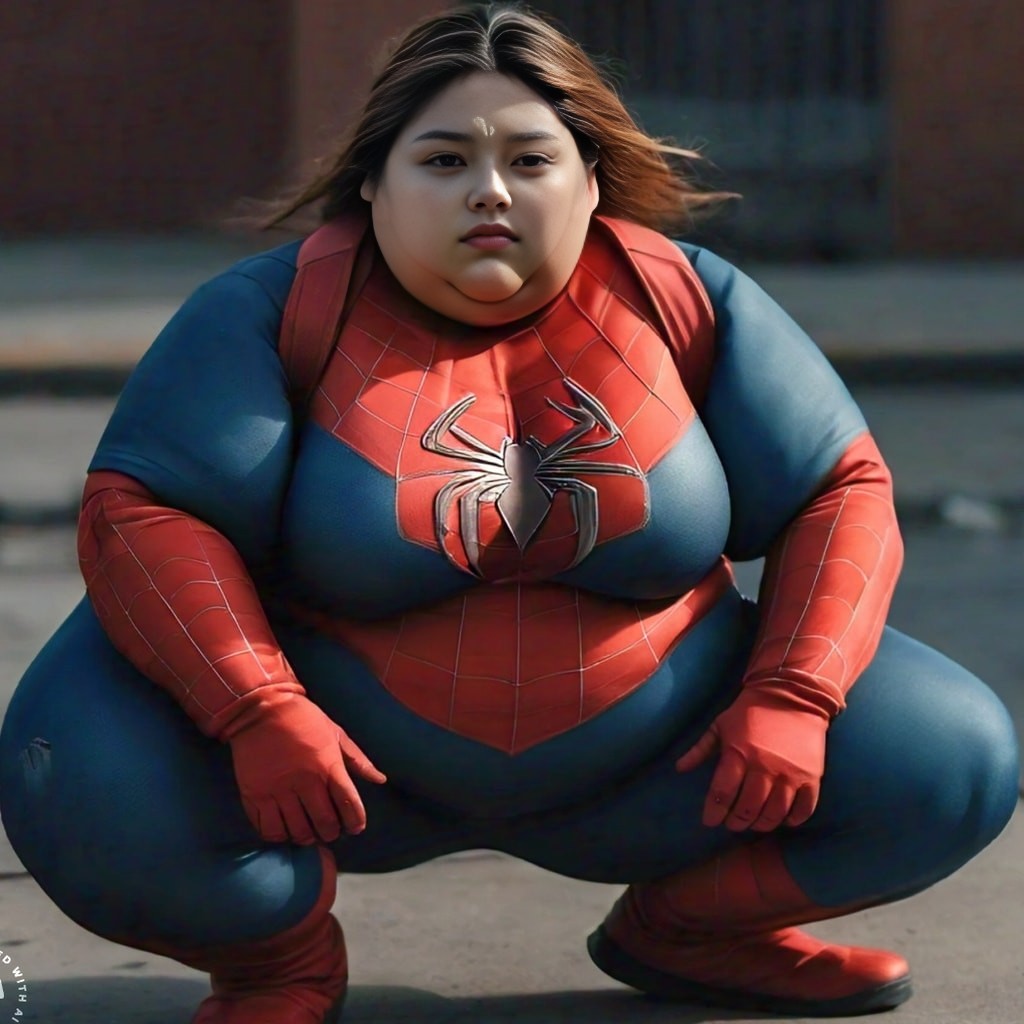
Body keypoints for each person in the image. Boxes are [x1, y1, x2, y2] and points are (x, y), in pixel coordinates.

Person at [0, 3, 1018, 1022]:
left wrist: (794, 694)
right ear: (372, 182)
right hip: (329, 774)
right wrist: (255, 708)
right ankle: (278, 959)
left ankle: (694, 928)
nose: (489, 191)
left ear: (590, 180)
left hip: (669, 770)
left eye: (531, 161)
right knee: (73, 764)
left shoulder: (684, 299)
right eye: (443, 161)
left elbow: (836, 489)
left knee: (953, 759)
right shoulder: (273, 311)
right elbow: (145, 510)